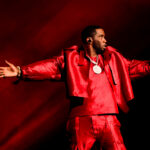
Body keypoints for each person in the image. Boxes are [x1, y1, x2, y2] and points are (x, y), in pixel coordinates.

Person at [0, 25, 150, 150]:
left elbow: (136, 67)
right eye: (101, 37)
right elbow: (50, 68)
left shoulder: (113, 60)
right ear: (89, 40)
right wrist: (21, 71)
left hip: (109, 119)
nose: (106, 40)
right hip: (81, 120)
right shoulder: (72, 60)